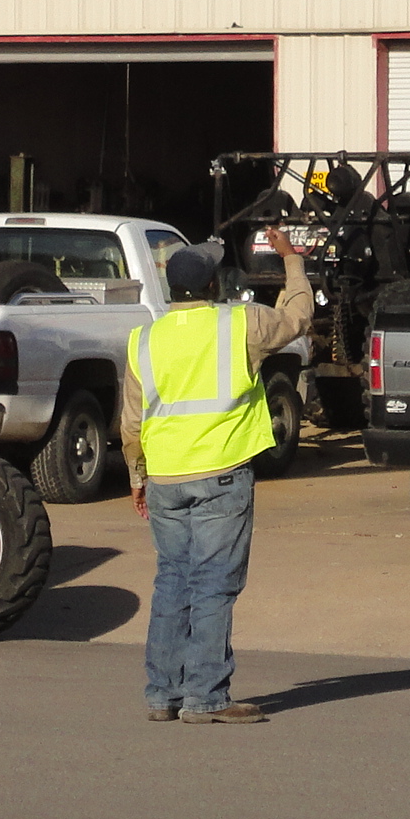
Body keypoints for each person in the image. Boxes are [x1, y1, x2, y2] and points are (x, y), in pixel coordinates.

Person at [121, 227, 313, 724]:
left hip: (165, 478)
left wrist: (137, 477)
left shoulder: (144, 339)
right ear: (212, 287)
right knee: (212, 584)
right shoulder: (239, 324)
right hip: (221, 475)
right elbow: (297, 318)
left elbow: (132, 421)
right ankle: (205, 696)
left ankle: (162, 694)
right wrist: (292, 261)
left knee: (172, 581)